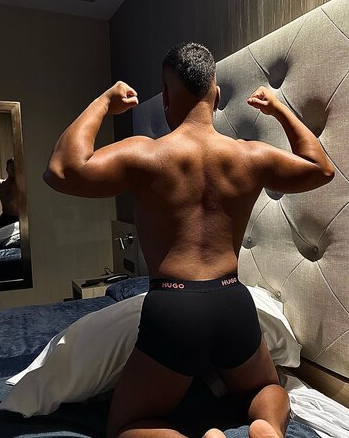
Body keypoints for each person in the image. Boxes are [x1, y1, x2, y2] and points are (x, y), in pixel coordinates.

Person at [43, 42, 334, 438]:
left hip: (174, 308)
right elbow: (321, 168)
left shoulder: (145, 155)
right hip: (232, 301)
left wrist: (103, 102)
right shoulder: (250, 156)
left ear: (165, 95)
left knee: (127, 425)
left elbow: (62, 169)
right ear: (216, 97)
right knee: (266, 388)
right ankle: (267, 426)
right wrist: (279, 109)